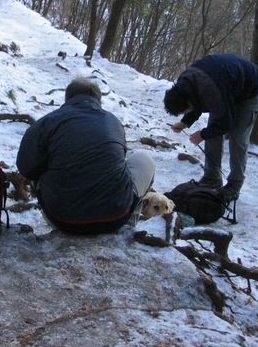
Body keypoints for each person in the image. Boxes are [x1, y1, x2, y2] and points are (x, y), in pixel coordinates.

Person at [17, 77, 155, 233]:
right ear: (98, 99)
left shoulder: (46, 122)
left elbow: (25, 167)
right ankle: (129, 225)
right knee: (144, 158)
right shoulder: (113, 121)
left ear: (67, 98)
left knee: (39, 162)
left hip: (62, 219)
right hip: (115, 217)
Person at [164, 54, 258, 202]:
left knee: (237, 138)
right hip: (226, 87)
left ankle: (234, 185)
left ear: (187, 101)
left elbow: (225, 123)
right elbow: (195, 102)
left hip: (250, 90)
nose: (186, 113)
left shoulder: (211, 93)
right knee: (213, 133)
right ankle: (212, 178)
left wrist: (202, 135)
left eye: (184, 111)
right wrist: (185, 122)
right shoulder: (184, 83)